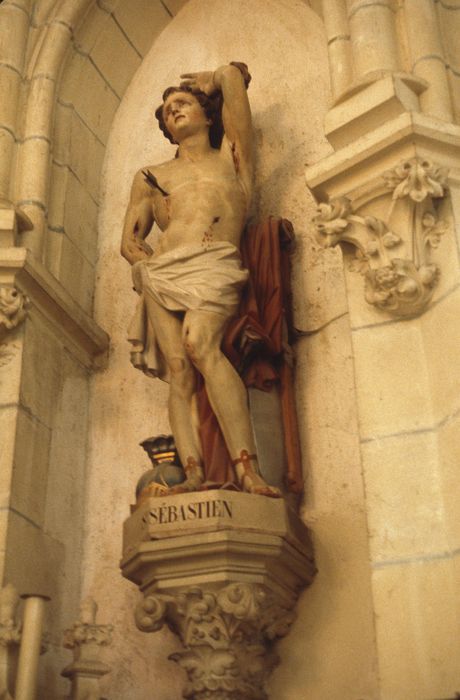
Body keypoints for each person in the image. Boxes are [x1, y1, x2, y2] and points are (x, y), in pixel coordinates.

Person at [121, 63, 280, 497]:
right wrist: (143, 265)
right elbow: (130, 241)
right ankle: (193, 473)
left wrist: (214, 79)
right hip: (162, 272)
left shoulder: (232, 157)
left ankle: (248, 470)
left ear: (209, 115)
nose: (174, 111)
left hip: (215, 263)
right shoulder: (152, 176)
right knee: (179, 370)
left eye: (183, 103)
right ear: (167, 131)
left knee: (200, 343)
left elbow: (233, 80)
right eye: (168, 110)